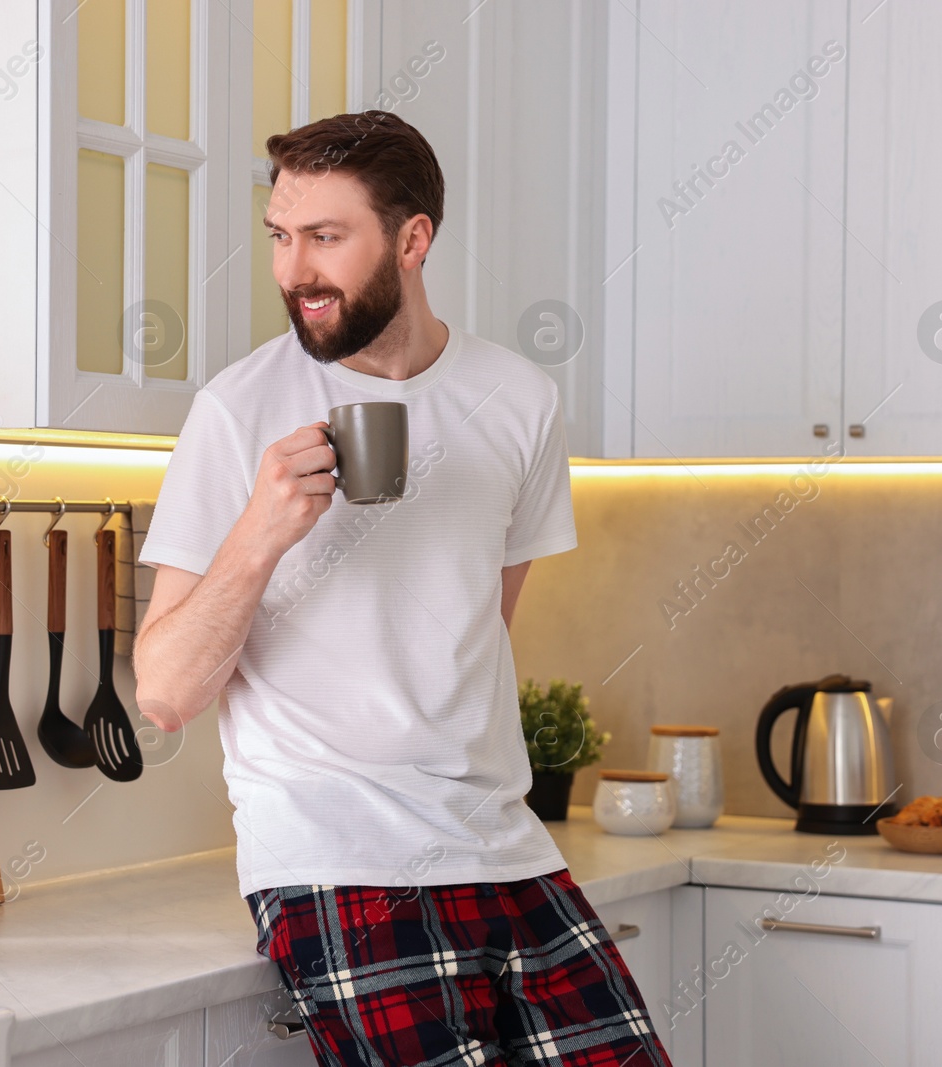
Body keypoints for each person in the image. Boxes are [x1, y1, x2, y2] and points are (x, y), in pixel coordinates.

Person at [133, 110, 672, 1067]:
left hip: (506, 849)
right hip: (337, 863)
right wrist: (261, 531)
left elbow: (482, 631)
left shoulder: (519, 402)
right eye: (279, 236)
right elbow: (167, 691)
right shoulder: (234, 412)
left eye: (326, 237)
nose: (294, 268)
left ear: (413, 240)